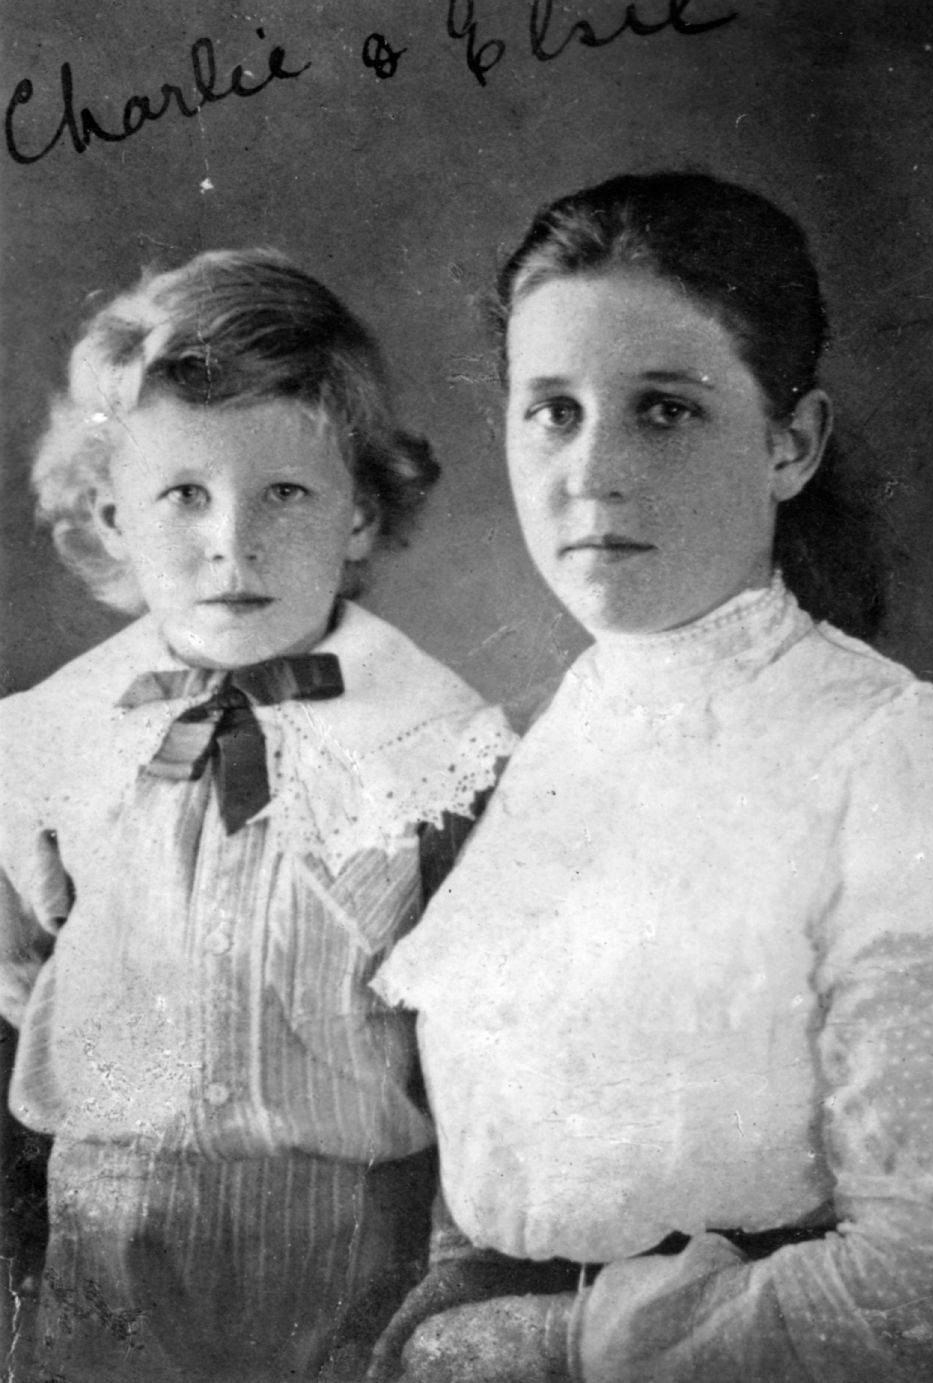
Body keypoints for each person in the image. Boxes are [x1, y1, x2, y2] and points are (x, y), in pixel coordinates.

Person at [370, 171, 933, 1382]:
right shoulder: (561, 737)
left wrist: (555, 1347)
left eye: (663, 410)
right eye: (549, 410)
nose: (591, 473)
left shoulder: (897, 764)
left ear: (789, 444)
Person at [0, 248, 515, 1383]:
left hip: (350, 1247)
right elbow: (24, 969)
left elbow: (482, 1042)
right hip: (105, 1250)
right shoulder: (51, 736)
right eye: (183, 494)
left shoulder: (436, 746)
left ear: (362, 518)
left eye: (285, 492)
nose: (232, 541)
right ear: (112, 516)